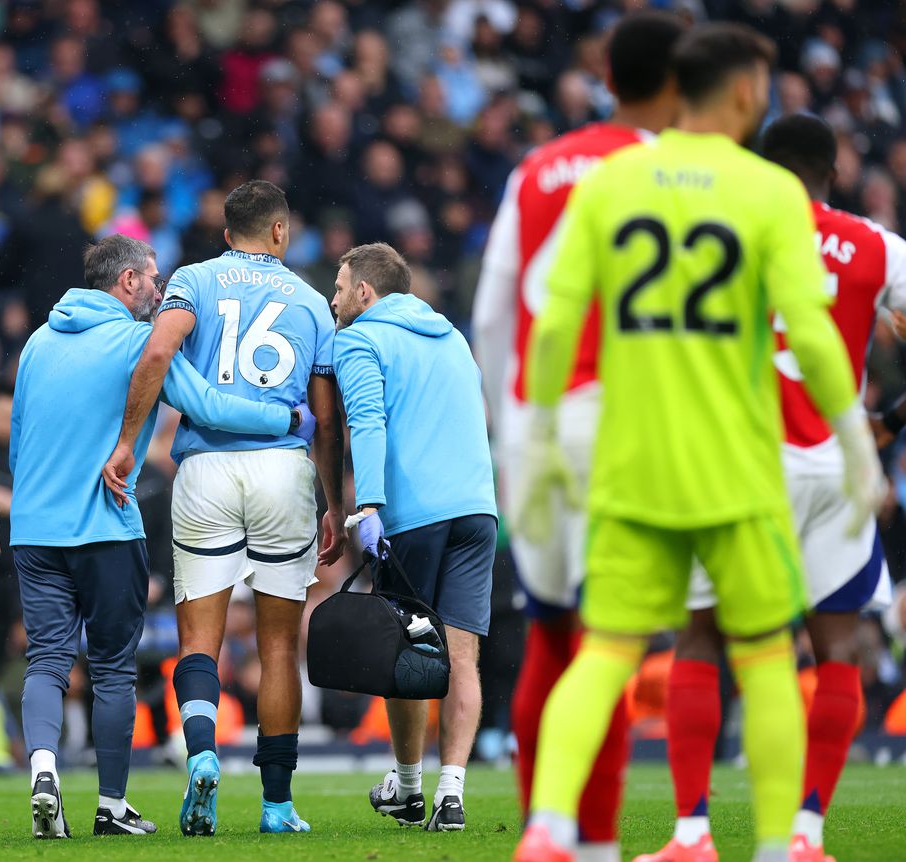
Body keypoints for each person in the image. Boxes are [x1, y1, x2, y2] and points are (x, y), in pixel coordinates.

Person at [511, 24, 883, 862]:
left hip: (633, 466)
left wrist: (533, 441)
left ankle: (547, 827)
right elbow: (819, 342)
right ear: (748, 89)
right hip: (738, 475)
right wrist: (857, 441)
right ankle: (780, 847)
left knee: (605, 652)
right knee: (764, 661)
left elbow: (555, 318)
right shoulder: (766, 193)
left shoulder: (612, 184)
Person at [640, 114, 906, 862]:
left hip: (737, 466)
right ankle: (806, 836)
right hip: (833, 470)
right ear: (835, 168)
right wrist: (888, 420)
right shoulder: (876, 247)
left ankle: (692, 837)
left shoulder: (717, 238)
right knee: (838, 652)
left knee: (701, 636)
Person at [10, 234, 314, 839]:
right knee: (113, 670)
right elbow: (204, 403)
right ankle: (110, 805)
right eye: (152, 278)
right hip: (104, 525)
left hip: (36, 529)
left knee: (45, 661)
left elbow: (18, 440)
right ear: (126, 282)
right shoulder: (136, 340)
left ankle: (43, 768)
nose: (160, 288)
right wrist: (285, 416)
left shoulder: (38, 343)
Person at [471, 12, 686, 854]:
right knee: (612, 641)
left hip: (536, 419)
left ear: (608, 75)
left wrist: (505, 431)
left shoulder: (537, 168)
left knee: (552, 632)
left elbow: (493, 314)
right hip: (629, 422)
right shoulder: (679, 172)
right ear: (680, 84)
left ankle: (547, 827)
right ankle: (592, 839)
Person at [102, 180, 346, 836]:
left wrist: (129, 442)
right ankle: (276, 804)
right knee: (275, 646)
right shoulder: (311, 301)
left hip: (205, 467)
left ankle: (203, 753)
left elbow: (157, 352)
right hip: (282, 472)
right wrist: (333, 500)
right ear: (279, 232)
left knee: (198, 642)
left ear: (225, 230)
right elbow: (325, 420)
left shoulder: (195, 279)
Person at [331, 242, 496, 831]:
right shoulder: (451, 335)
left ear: (366, 294)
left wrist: (368, 503)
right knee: (462, 655)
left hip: (413, 512)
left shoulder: (358, 339)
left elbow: (367, 422)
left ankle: (407, 787)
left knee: (407, 651)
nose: (334, 296)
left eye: (340, 285)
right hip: (478, 509)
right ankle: (452, 793)